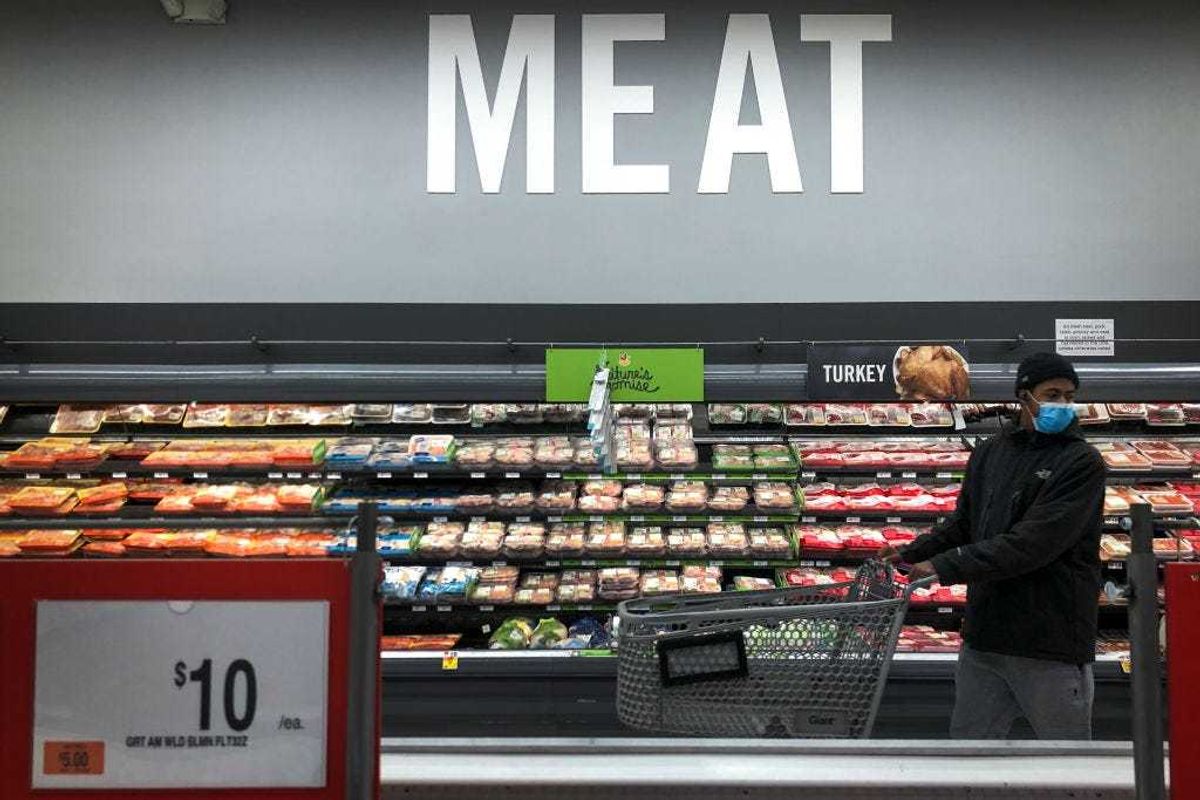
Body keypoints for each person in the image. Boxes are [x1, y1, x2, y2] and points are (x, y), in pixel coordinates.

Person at [881, 352, 1106, 739]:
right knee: (970, 757)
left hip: (1050, 644)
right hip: (986, 640)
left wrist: (944, 566)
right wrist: (912, 553)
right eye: (1052, 394)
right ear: (1024, 396)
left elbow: (1032, 545)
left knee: (1069, 765)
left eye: (1070, 396)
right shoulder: (991, 451)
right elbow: (965, 524)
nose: (1063, 405)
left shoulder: (1081, 462)